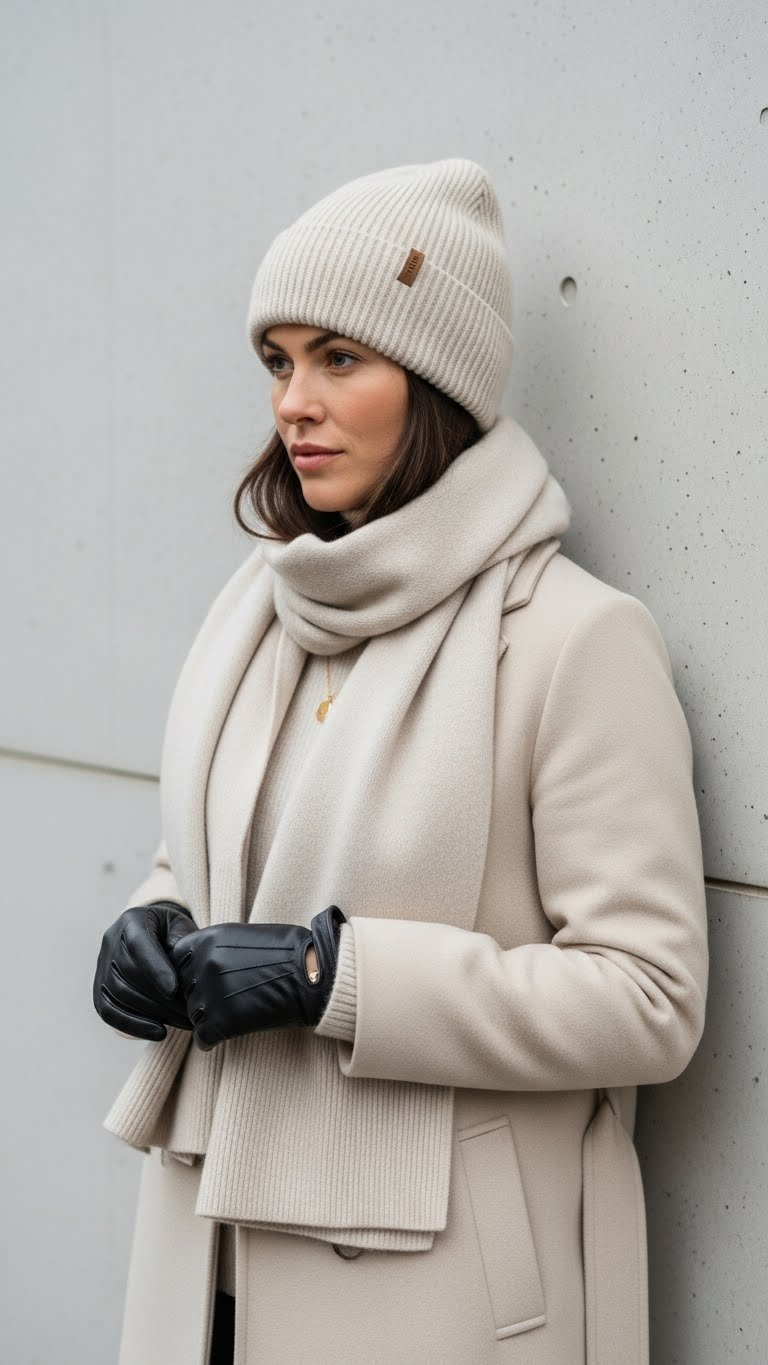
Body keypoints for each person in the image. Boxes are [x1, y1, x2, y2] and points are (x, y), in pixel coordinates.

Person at [93, 157, 708, 1365]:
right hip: (205, 1261)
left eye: (340, 358)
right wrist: (152, 925)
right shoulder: (262, 609)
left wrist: (342, 978)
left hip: (431, 1301)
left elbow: (651, 1000)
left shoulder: (574, 639)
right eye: (278, 360)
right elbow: (209, 862)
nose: (292, 403)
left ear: (434, 382)